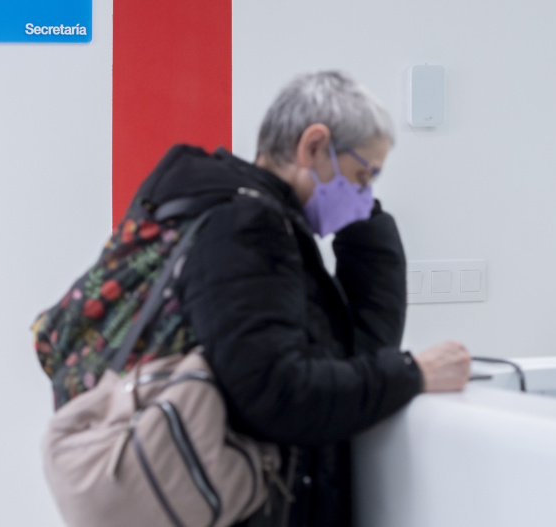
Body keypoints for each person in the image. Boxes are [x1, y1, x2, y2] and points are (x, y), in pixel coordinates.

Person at [134, 71, 471, 527]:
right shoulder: (245, 229)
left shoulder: (265, 224)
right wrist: (413, 374)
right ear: (313, 147)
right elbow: (278, 394)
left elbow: (359, 352)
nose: (364, 196)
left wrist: (364, 222)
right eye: (360, 177)